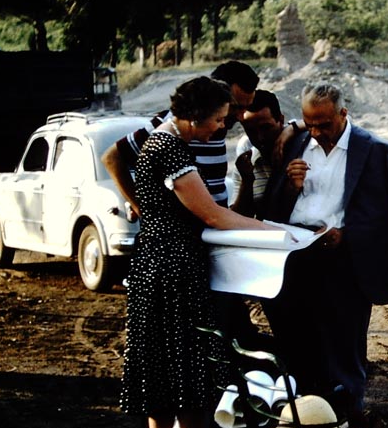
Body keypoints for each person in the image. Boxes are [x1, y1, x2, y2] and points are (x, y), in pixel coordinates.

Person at [119, 76, 275, 428]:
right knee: (189, 372)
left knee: (160, 372)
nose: (221, 129)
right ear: (192, 117)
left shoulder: (157, 142)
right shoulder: (171, 149)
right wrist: (275, 231)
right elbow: (212, 215)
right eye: (218, 120)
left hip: (154, 267)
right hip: (174, 271)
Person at [262, 82, 388, 428]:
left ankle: (349, 422)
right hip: (298, 258)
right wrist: (290, 186)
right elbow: (275, 207)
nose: (316, 132)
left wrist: (345, 236)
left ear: (344, 114)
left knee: (344, 345)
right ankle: (308, 421)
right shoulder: (298, 144)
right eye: (309, 123)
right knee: (299, 342)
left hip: (346, 261)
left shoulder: (376, 151)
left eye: (324, 124)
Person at [101, 61, 270, 352]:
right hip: (181, 252)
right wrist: (143, 206)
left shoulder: (207, 129)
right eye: (233, 108)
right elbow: (112, 158)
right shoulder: (169, 137)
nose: (238, 117)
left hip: (208, 243)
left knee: (225, 332)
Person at [230, 89, 305, 220]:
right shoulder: (247, 164)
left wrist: (293, 128)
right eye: (251, 130)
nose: (260, 137)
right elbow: (239, 219)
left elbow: (340, 122)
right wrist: (247, 182)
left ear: (281, 120)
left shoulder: (304, 144)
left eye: (266, 128)